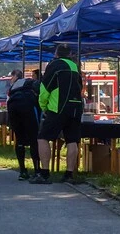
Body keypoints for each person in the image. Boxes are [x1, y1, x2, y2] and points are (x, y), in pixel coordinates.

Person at [36, 43, 85, 181]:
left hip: (58, 107)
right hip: (75, 107)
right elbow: (80, 87)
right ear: (70, 54)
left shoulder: (54, 65)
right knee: (72, 140)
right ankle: (69, 174)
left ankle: (44, 173)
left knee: (43, 137)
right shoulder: (75, 67)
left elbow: (45, 88)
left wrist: (43, 106)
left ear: (56, 54)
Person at [5, 67, 41, 179]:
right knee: (33, 138)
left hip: (13, 106)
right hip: (28, 106)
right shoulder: (35, 84)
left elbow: (9, 95)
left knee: (19, 138)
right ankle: (37, 170)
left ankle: (22, 171)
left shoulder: (15, 85)